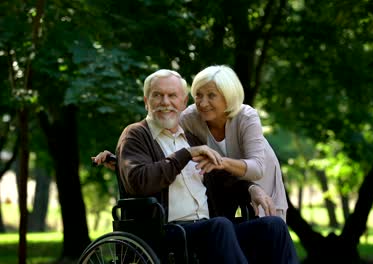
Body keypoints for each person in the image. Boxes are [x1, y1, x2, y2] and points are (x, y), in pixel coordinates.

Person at [97, 69, 298, 264]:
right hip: (167, 231)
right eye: (157, 95)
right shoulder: (135, 135)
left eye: (172, 96)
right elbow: (139, 181)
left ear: (184, 103)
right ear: (146, 101)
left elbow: (221, 179)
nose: (165, 102)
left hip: (209, 228)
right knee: (220, 226)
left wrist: (251, 188)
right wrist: (186, 155)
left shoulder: (191, 138)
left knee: (273, 226)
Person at [179, 65, 288, 221]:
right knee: (224, 228)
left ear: (228, 97)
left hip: (261, 175)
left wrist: (222, 162)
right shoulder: (189, 118)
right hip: (225, 180)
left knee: (267, 227)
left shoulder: (246, 116)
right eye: (198, 95)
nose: (203, 103)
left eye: (211, 95)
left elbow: (257, 168)